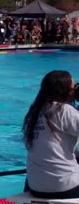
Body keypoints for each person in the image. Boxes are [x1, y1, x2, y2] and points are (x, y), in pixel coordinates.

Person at [22, 70, 79, 199]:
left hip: (35, 186)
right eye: (73, 86)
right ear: (64, 90)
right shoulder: (64, 110)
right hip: (64, 186)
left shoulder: (35, 112)